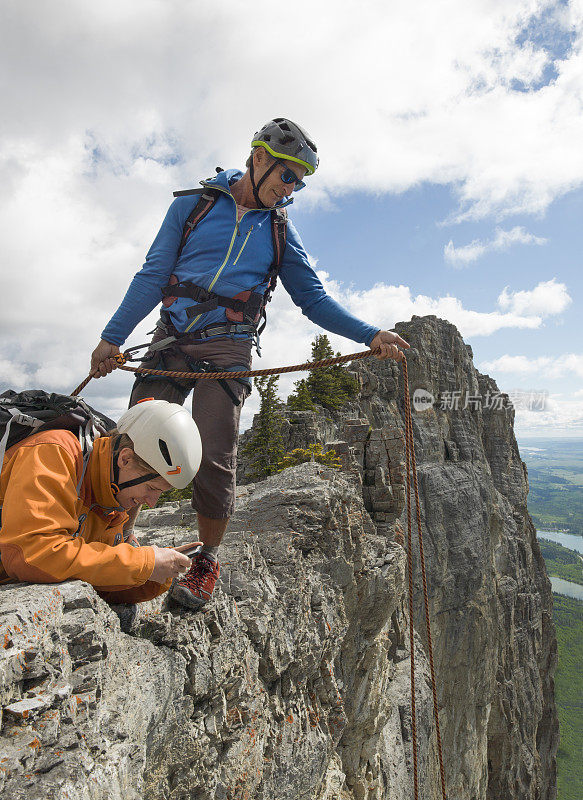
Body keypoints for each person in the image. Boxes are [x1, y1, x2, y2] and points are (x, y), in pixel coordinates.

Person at [90, 118, 410, 611]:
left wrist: (370, 335)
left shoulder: (280, 232)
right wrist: (112, 338)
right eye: (288, 177)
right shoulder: (191, 208)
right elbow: (153, 274)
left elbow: (314, 299)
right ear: (259, 158)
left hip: (228, 349)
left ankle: (205, 560)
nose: (292, 190)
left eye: (299, 184)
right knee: (133, 444)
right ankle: (122, 547)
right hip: (171, 339)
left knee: (215, 455)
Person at [0, 399, 201, 606]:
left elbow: (98, 584)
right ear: (125, 459)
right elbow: (31, 554)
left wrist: (157, 570)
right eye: (151, 488)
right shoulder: (54, 452)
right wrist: (143, 563)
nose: (151, 502)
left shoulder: (112, 501)